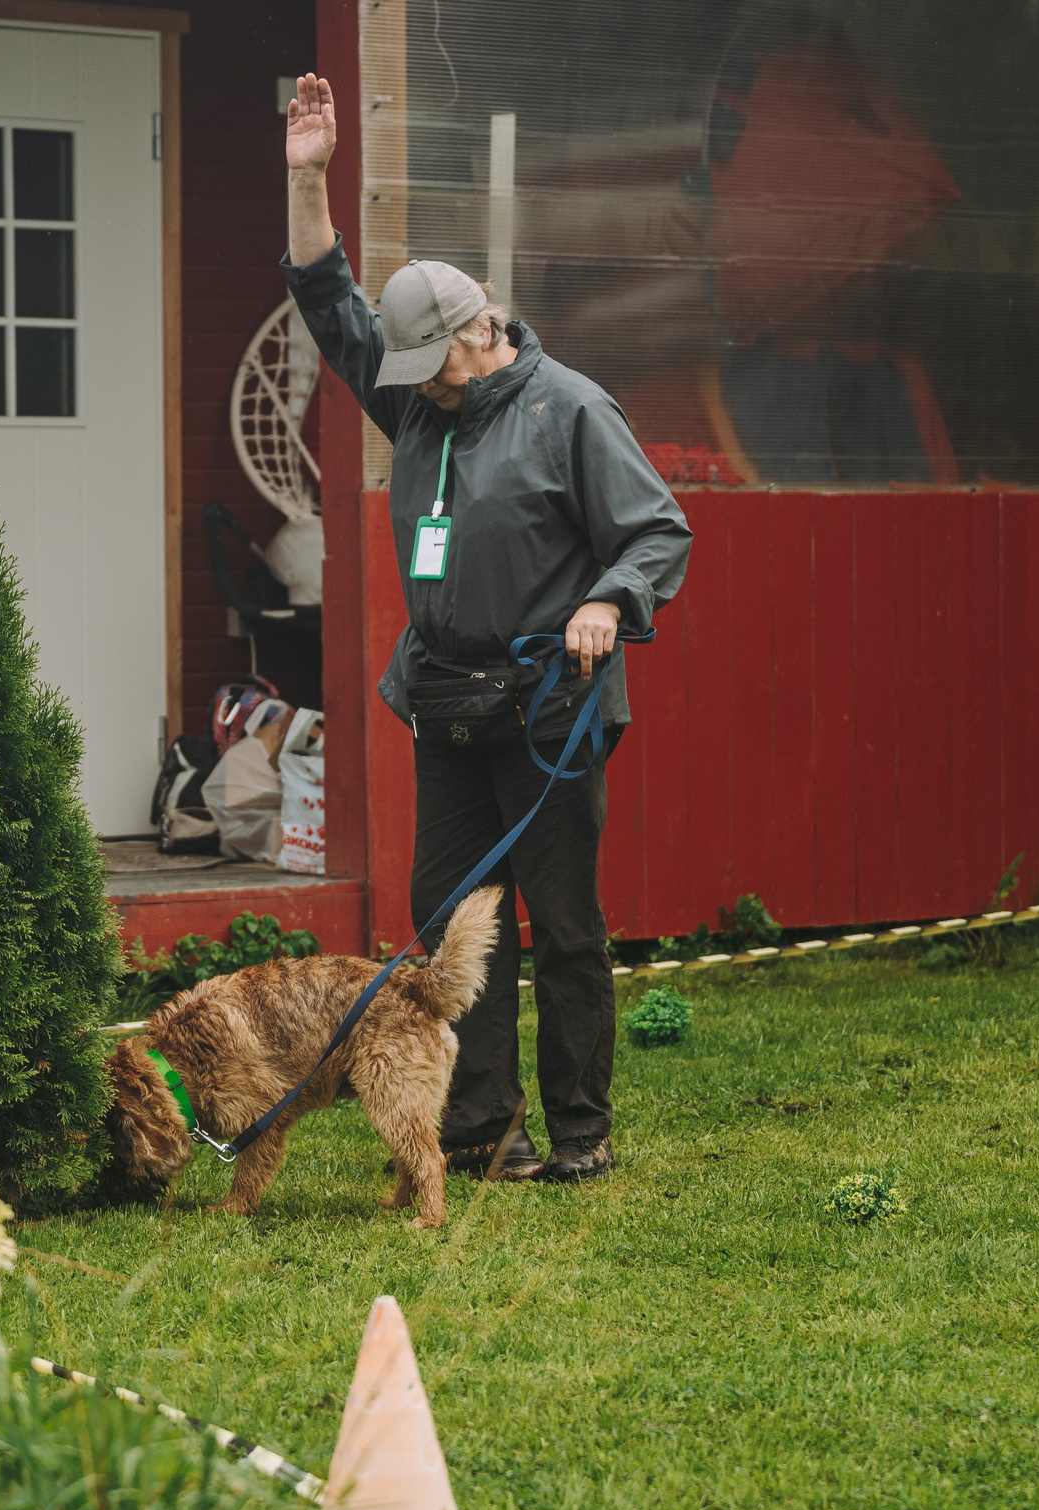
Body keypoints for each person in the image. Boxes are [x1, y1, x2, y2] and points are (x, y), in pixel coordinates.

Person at [280, 73, 690, 1183]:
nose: (418, 390)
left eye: (435, 369)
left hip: (551, 703)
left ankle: (578, 1134)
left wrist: (607, 599)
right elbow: (326, 297)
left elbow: (657, 532)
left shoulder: (573, 411)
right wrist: (308, 176)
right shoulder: (423, 396)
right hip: (448, 701)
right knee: (452, 920)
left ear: (482, 329)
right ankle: (478, 1129)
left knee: (558, 920)